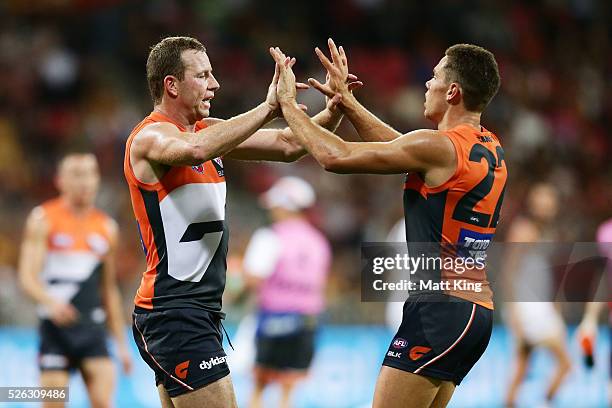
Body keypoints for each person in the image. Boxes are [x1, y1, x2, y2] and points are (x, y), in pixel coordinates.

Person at [271, 39, 506, 408]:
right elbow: (404, 151)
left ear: (453, 91)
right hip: (474, 311)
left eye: (434, 77)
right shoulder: (490, 147)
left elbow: (335, 156)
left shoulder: (438, 146)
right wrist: (349, 105)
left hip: (438, 307)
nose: (427, 85)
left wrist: (287, 106)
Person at [124, 36, 356, 408]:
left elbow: (287, 145)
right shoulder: (150, 137)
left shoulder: (206, 131)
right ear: (171, 85)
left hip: (199, 311)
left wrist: (336, 107)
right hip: (173, 310)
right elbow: (198, 151)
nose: (214, 84)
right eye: (202, 75)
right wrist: (269, 106)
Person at [18, 153, 132, 408]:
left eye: (90, 174)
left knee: (103, 402)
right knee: (54, 404)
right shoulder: (43, 220)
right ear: (60, 180)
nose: (85, 182)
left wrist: (122, 345)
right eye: (77, 174)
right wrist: (50, 302)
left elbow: (109, 290)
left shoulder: (106, 228)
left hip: (93, 330)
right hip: (56, 331)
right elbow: (27, 276)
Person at [242, 176, 331, 408]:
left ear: (284, 206)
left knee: (259, 386)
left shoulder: (270, 236)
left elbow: (253, 278)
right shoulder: (319, 241)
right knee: (289, 390)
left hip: (273, 319)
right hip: (308, 321)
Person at [503, 183, 571, 408]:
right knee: (565, 364)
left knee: (522, 368)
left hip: (538, 305)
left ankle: (511, 403)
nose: (547, 206)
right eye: (543, 200)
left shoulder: (546, 232)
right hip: (528, 308)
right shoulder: (523, 230)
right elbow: (509, 271)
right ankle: (545, 403)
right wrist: (513, 312)